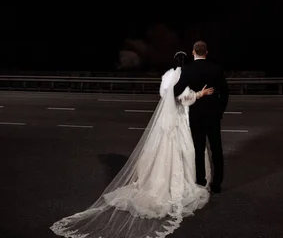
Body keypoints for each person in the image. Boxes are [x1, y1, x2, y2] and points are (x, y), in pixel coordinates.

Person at [50, 51, 214, 238]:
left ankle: (155, 179)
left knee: (162, 151)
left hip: (165, 123)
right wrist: (200, 94)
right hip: (179, 120)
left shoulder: (168, 76)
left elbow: (164, 95)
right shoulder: (184, 76)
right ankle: (181, 183)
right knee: (184, 151)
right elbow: (183, 98)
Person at [173, 41, 229, 193]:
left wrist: (192, 95)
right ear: (206, 52)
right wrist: (220, 111)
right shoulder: (216, 68)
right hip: (213, 115)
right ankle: (217, 184)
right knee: (216, 149)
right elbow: (225, 92)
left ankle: (200, 180)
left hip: (196, 114)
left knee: (199, 148)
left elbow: (176, 91)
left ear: (193, 52)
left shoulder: (188, 69)